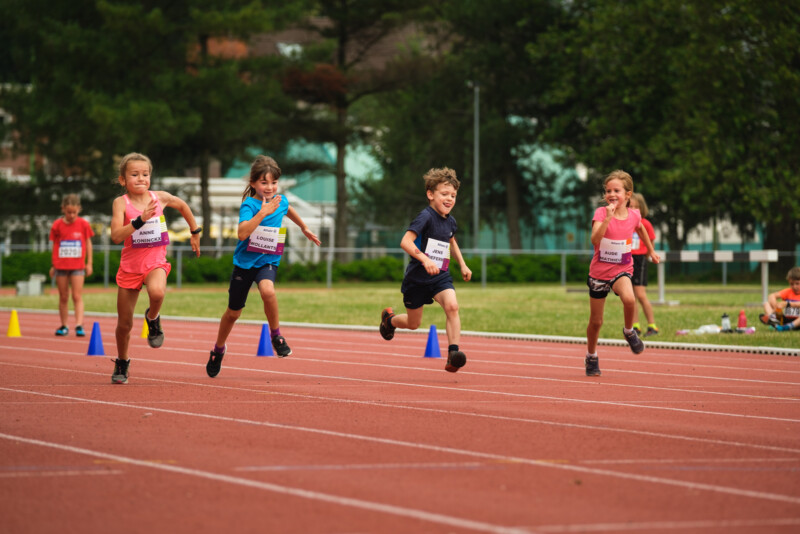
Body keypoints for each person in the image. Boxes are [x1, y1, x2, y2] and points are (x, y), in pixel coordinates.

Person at [206, 155, 320, 378]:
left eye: (274, 182)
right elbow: (242, 233)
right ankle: (218, 349)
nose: (270, 187)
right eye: (264, 182)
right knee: (233, 313)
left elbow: (288, 209)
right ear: (253, 183)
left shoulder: (280, 201)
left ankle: (276, 336)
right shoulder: (249, 205)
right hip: (244, 264)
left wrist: (304, 227)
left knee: (268, 291)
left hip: (267, 260)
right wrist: (263, 213)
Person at [109, 152, 201, 384]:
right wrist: (139, 219)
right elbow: (116, 236)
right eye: (134, 175)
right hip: (130, 267)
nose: (141, 178)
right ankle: (122, 361)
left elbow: (182, 205)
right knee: (124, 325)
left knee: (157, 292)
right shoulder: (121, 203)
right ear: (123, 180)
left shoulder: (160, 197)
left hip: (155, 262)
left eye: (145, 174)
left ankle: (153, 318)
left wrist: (195, 232)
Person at [379, 167, 472, 373]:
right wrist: (424, 259)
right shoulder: (426, 217)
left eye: (453, 195)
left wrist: (463, 264)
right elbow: (405, 242)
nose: (450, 199)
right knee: (413, 324)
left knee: (453, 307)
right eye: (444, 194)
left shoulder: (450, 220)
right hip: (417, 279)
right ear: (431, 195)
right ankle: (390, 320)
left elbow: (451, 241)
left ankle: (453, 354)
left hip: (440, 276)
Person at [585, 170, 660, 377]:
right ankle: (591, 356)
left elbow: (641, 229)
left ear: (628, 194)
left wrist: (651, 251)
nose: (611, 194)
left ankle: (629, 331)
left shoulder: (634, 214)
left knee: (629, 299)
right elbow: (594, 239)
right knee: (596, 321)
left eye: (616, 190)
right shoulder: (601, 213)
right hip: (599, 272)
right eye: (608, 190)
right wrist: (608, 218)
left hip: (622, 269)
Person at [49, 194, 94, 337]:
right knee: (63, 296)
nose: (72, 215)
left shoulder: (83, 224)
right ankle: (64, 326)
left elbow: (88, 243)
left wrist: (89, 263)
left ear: (79, 209)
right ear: (63, 209)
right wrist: (53, 265)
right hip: (61, 266)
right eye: (69, 212)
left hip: (77, 265)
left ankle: (79, 325)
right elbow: (55, 245)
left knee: (76, 296)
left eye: (74, 212)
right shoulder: (57, 225)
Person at [629, 193, 659, 337]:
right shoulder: (626, 222)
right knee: (630, 296)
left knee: (640, 295)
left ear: (642, 209)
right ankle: (635, 326)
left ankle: (652, 326)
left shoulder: (645, 223)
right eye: (630, 207)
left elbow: (651, 240)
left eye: (636, 207)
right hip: (626, 259)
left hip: (640, 259)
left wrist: (647, 254)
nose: (633, 210)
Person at [760, 266, 800, 332]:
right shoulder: (788, 291)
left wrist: (787, 304)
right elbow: (771, 296)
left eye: (797, 284)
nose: (794, 286)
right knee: (766, 304)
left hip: (798, 322)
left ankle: (786, 327)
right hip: (785, 319)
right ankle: (773, 320)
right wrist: (776, 307)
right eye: (791, 284)